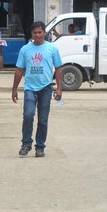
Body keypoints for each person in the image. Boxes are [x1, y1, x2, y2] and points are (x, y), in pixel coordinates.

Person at [12, 21, 63, 158]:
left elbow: (58, 69)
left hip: (46, 88)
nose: (38, 35)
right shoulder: (25, 50)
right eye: (35, 32)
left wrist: (59, 88)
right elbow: (19, 70)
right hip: (30, 88)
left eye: (40, 32)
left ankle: (40, 147)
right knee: (28, 115)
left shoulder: (52, 49)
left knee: (42, 119)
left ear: (44, 33)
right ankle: (26, 143)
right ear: (31, 34)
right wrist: (14, 89)